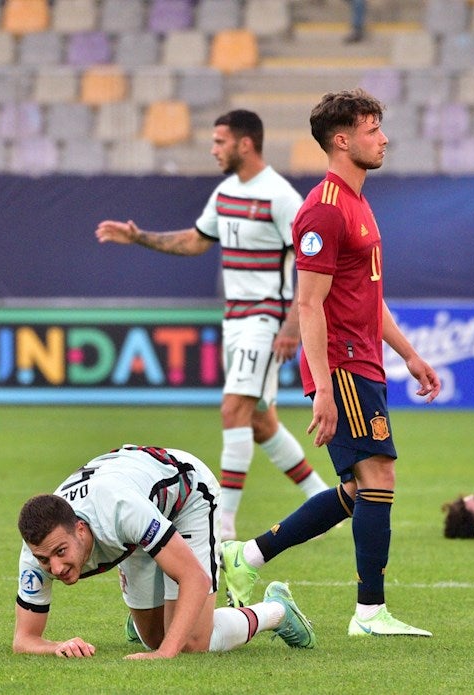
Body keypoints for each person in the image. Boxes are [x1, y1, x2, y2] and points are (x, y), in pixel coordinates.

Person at [220, 89, 441, 638]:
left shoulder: (359, 203)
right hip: (340, 365)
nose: (384, 138)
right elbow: (310, 303)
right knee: (379, 474)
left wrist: (409, 354)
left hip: (365, 360)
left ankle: (248, 556)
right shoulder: (323, 209)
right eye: (372, 129)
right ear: (341, 141)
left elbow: (368, 296)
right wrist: (321, 386)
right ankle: (370, 613)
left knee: (360, 488)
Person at [96, 109, 329, 541]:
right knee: (259, 421)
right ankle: (322, 498)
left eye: (220, 141)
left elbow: (310, 263)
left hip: (266, 316)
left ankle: (222, 523)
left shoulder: (281, 197)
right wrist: (140, 236)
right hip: (235, 318)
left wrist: (293, 324)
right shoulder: (225, 193)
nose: (213, 149)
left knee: (232, 410)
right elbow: (197, 240)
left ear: (245, 144)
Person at [13, 444, 316, 659]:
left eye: (61, 552)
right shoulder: (37, 551)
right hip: (138, 523)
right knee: (154, 636)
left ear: (80, 529)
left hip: (187, 497)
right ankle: (155, 610)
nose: (54, 568)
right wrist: (57, 646)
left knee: (193, 641)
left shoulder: (120, 511)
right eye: (44, 559)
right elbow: (24, 640)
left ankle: (276, 611)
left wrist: (165, 654)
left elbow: (193, 578)